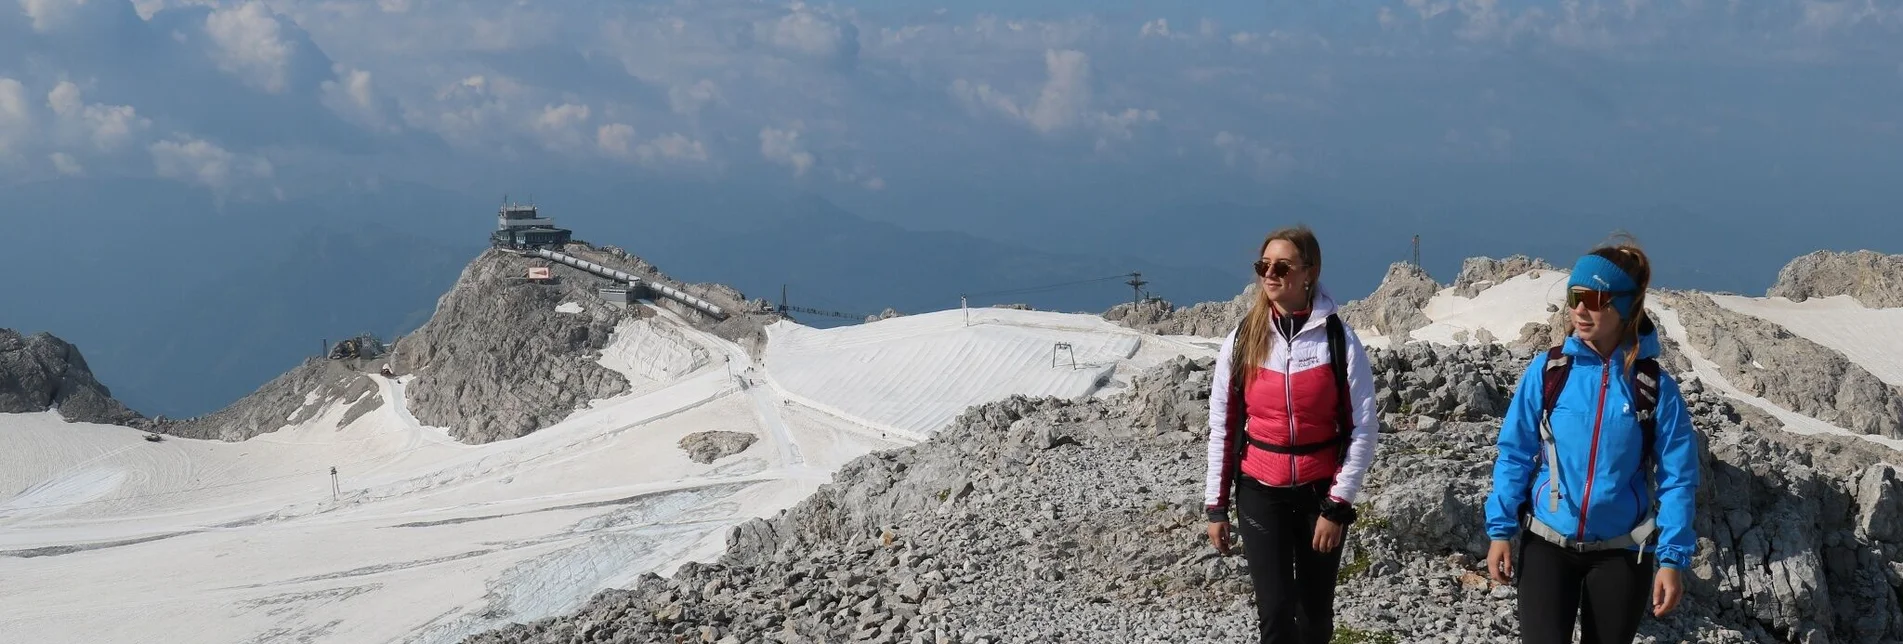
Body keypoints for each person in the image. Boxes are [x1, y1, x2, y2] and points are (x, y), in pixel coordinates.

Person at [1483, 241, 1700, 644]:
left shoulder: (1653, 387)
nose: (1581, 309)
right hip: (1547, 542)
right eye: (1575, 296)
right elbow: (1514, 452)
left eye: (1596, 299)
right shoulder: (1548, 371)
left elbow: (1678, 479)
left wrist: (1672, 560)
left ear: (1625, 307)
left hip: (1622, 552)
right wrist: (1500, 531)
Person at [1204, 225, 1381, 644]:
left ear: (1309, 273)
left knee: (1315, 614)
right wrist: (1215, 506)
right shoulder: (1241, 340)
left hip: (1320, 493)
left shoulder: (1340, 340)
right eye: (1263, 265)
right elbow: (1223, 426)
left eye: (1281, 265)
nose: (1269, 273)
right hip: (1259, 490)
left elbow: (1364, 429)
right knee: (1276, 612)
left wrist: (1337, 507)